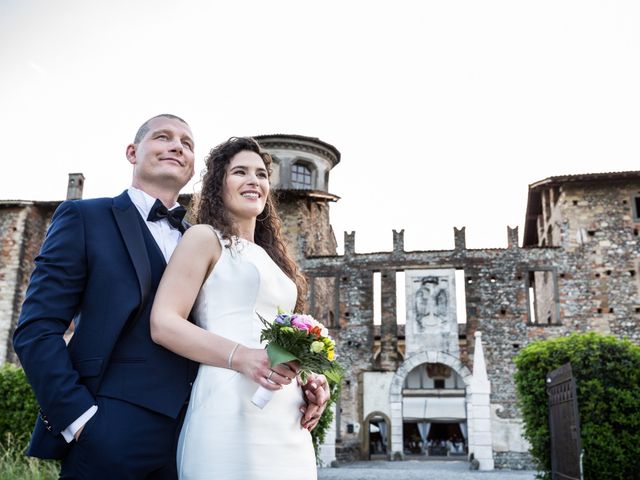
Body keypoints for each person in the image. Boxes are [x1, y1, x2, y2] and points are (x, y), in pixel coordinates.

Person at [13, 116, 326, 479]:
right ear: (132, 152)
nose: (178, 146)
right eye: (163, 137)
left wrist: (299, 376)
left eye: (188, 143)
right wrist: (79, 420)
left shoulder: (208, 239)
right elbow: (36, 330)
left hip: (199, 423)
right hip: (110, 428)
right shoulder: (85, 218)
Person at [150, 137, 322, 479]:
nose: (253, 181)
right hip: (228, 401)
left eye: (261, 174)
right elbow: (163, 323)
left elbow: (280, 342)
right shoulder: (203, 238)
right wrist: (242, 356)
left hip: (285, 413)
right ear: (219, 184)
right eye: (240, 172)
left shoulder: (275, 261)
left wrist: (308, 378)